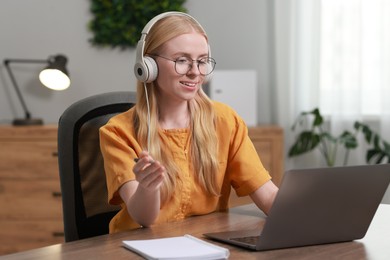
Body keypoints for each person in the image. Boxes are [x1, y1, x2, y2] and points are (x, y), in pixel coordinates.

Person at [99, 11, 279, 234]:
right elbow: (144, 219)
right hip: (137, 247)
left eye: (202, 61)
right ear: (148, 66)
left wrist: (315, 215)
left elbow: (268, 195)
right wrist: (147, 188)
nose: (195, 72)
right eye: (182, 60)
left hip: (204, 246)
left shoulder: (225, 121)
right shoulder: (118, 132)